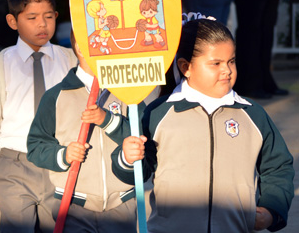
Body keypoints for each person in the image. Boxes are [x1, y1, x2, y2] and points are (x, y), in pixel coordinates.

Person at [112, 18, 295, 232]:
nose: (227, 70)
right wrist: (127, 157)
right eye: (216, 63)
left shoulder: (252, 114)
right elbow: (138, 172)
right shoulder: (159, 113)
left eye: (231, 61)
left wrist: (272, 209)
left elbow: (278, 166)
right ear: (185, 67)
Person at [0, 0, 77, 233]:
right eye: (32, 17)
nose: (42, 24)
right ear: (12, 21)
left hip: (59, 163)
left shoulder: (71, 61)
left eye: (48, 16)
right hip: (13, 163)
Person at [27, 31, 137, 232]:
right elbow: (35, 146)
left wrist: (107, 121)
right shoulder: (56, 96)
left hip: (121, 205)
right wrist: (64, 154)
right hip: (74, 205)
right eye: (101, 42)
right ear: (79, 48)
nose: (107, 47)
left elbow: (140, 139)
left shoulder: (128, 92)